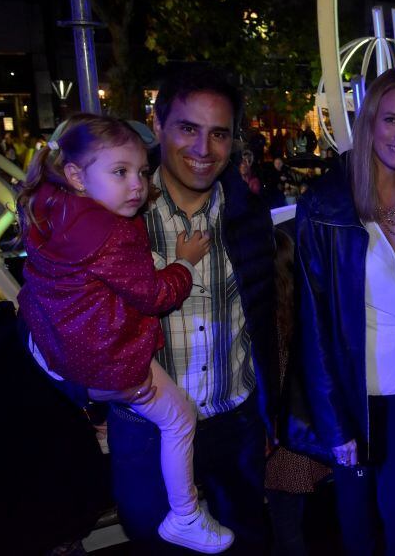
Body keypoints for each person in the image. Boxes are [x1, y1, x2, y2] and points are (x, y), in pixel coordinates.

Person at [16, 113, 234, 553]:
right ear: (76, 175)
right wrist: (185, 261)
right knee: (180, 419)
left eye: (140, 171)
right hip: (109, 360)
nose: (137, 184)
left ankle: (99, 416)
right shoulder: (112, 233)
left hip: (59, 349)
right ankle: (186, 515)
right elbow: (156, 296)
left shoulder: (51, 207)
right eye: (120, 172)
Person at [105, 66, 278, 553]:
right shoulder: (114, 218)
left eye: (218, 133)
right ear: (156, 125)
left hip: (234, 426)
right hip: (146, 432)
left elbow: (263, 320)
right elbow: (60, 314)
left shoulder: (246, 214)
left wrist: (266, 414)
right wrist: (87, 387)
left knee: (244, 543)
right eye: (188, 128)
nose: (203, 149)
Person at [294, 68, 395, 556]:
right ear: (369, 124)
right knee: (356, 525)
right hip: (351, 390)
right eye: (391, 120)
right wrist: (334, 423)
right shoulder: (325, 206)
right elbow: (312, 325)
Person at [265, 226, 332, 556]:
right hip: (306, 433)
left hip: (280, 440)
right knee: (297, 522)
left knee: (286, 529)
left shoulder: (267, 324)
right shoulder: (307, 311)